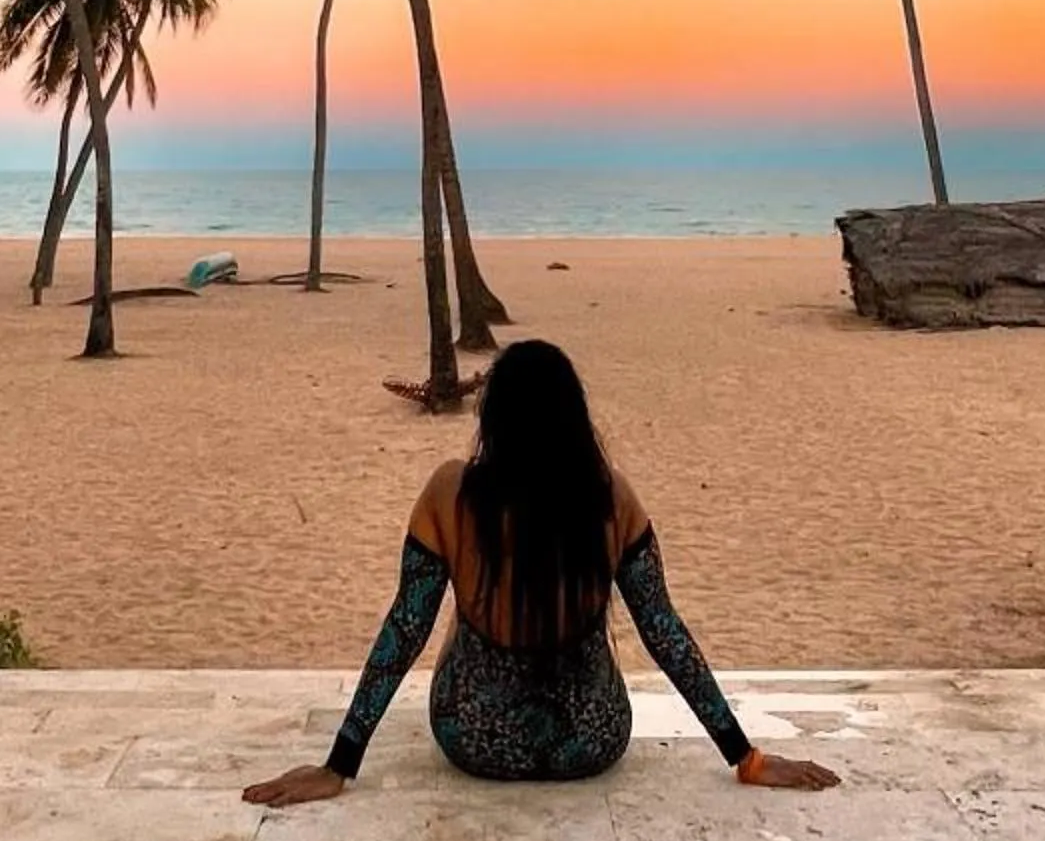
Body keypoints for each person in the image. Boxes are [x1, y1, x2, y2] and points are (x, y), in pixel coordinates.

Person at [244, 339, 838, 803]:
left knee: (455, 620)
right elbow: (664, 633)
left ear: (492, 419)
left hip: (475, 739)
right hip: (591, 740)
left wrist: (340, 763)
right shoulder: (610, 498)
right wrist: (746, 756)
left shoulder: (450, 493)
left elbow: (405, 630)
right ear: (575, 419)